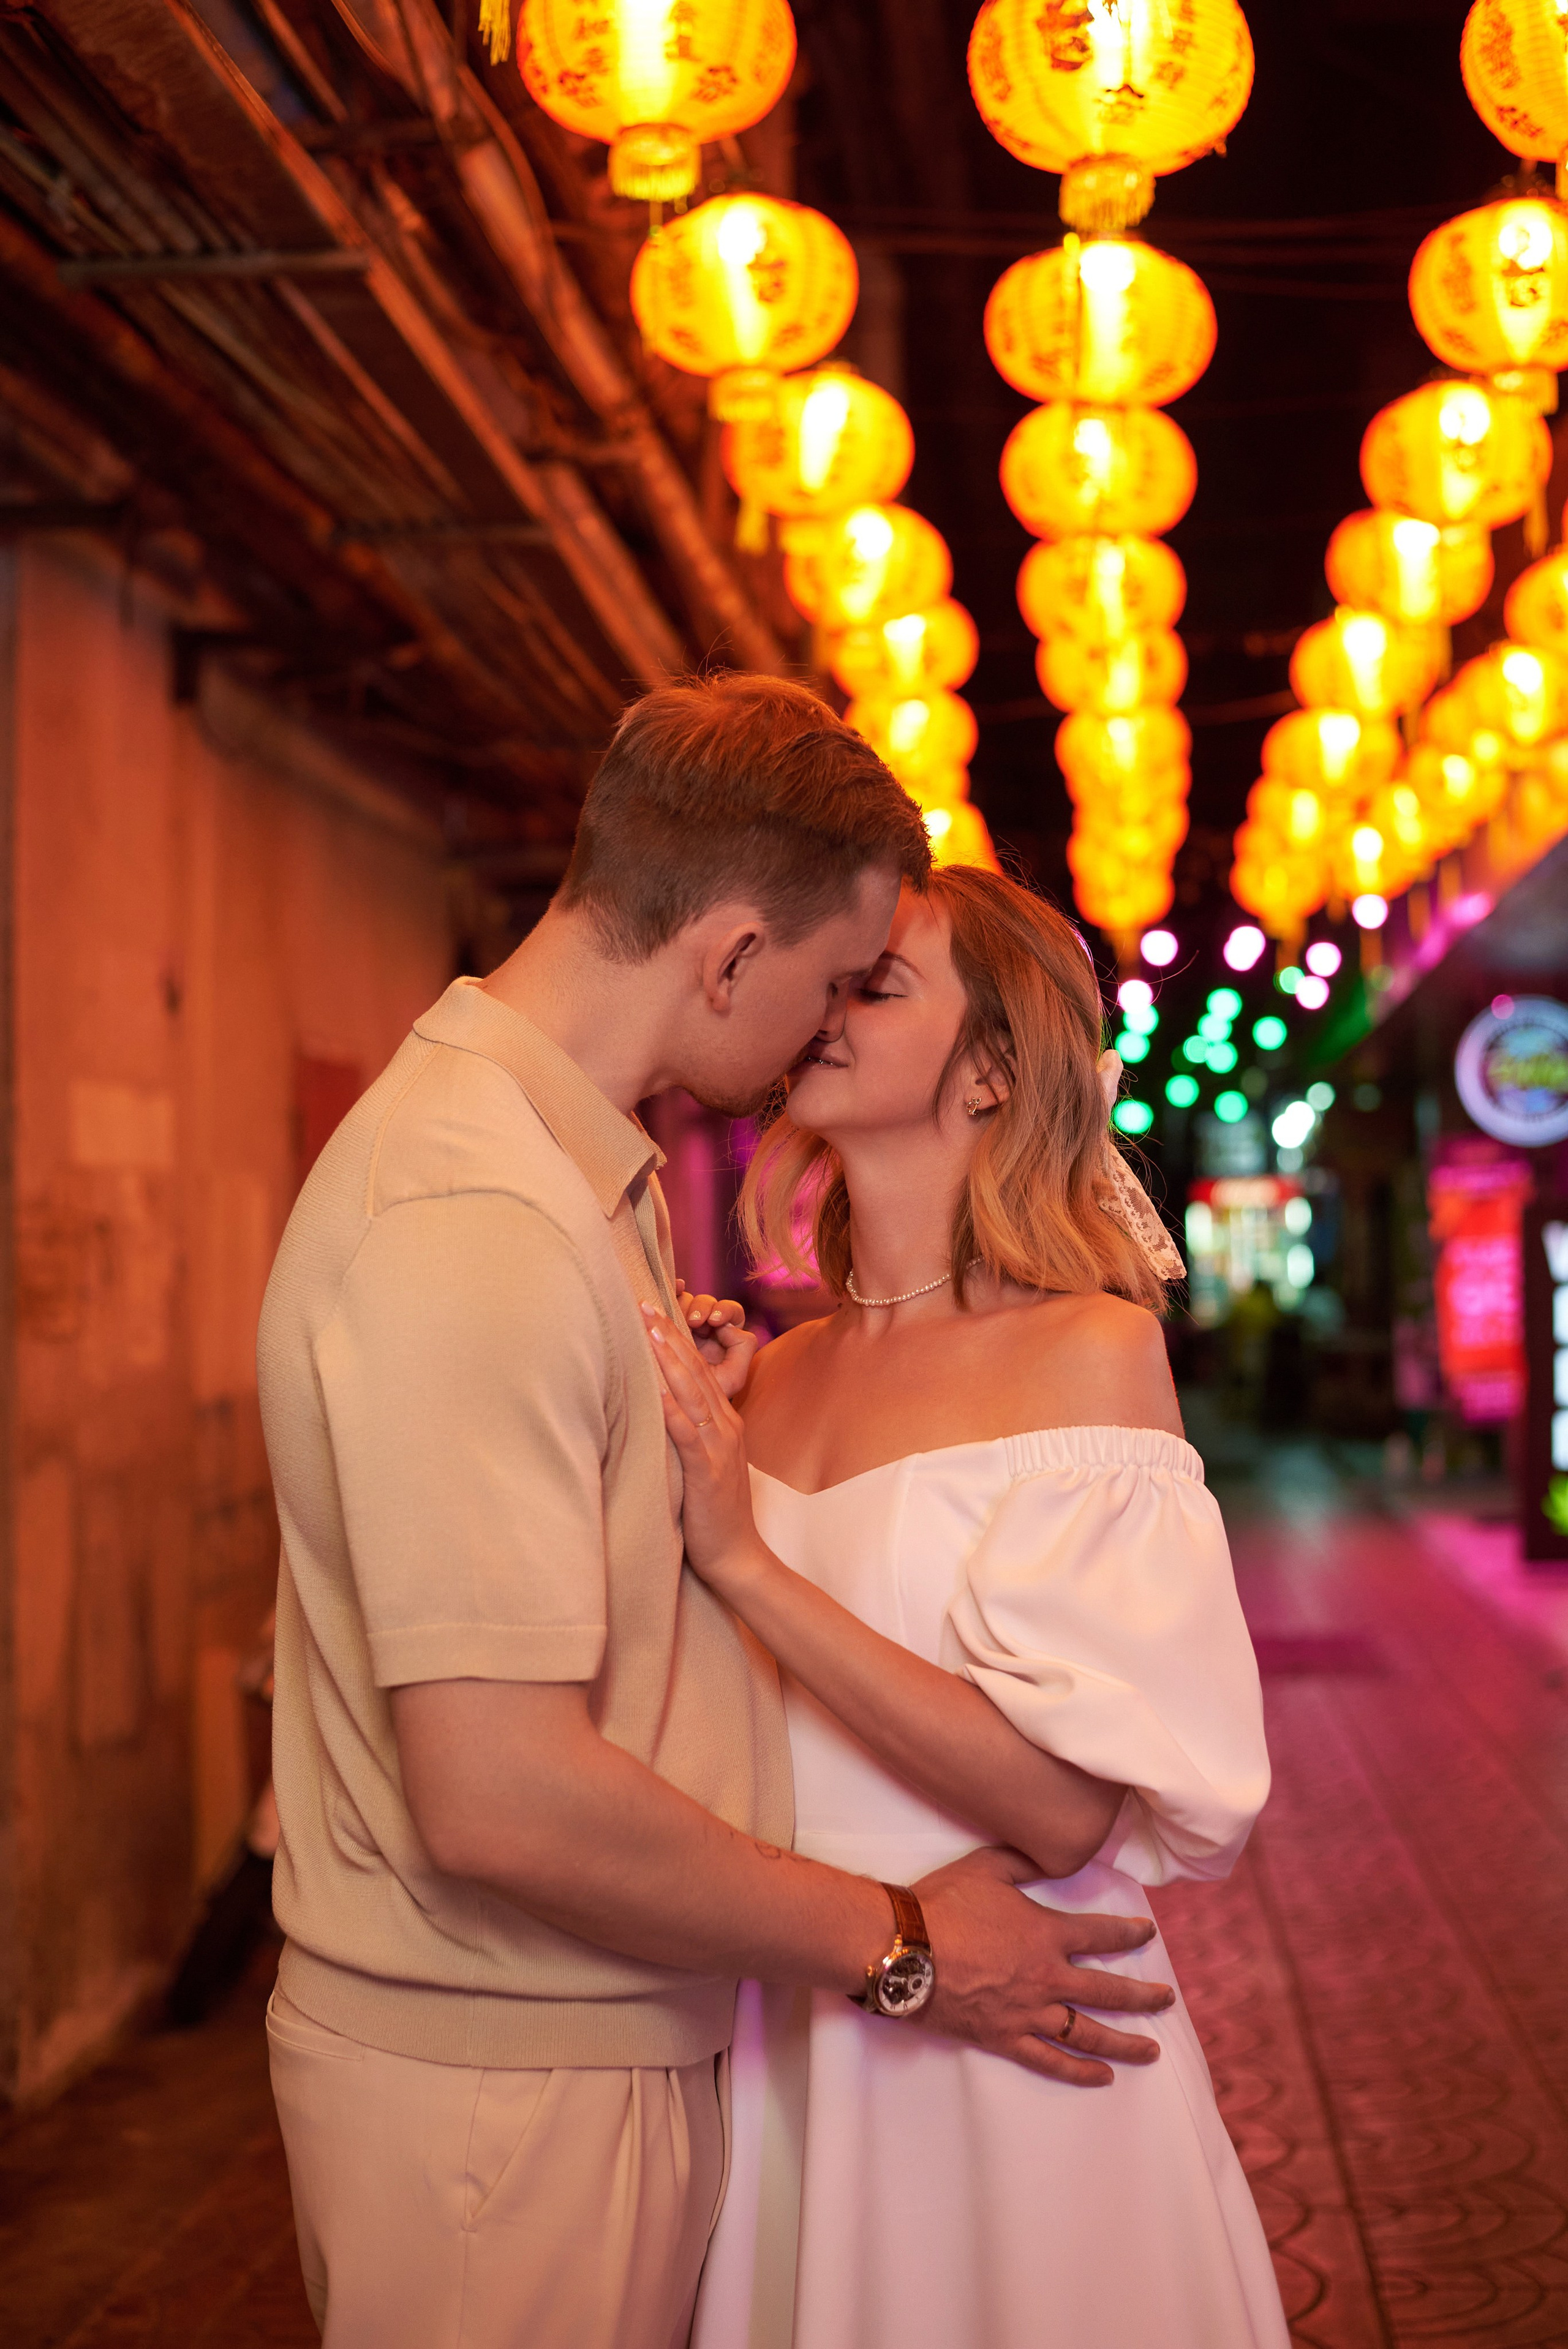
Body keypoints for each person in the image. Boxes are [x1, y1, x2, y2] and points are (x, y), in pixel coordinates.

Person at [256, 678, 1177, 2349]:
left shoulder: (564, 1184)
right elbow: (501, 1796)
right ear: (731, 955)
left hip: (654, 2024)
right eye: (833, 979)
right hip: (519, 2063)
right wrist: (899, 1945)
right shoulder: (481, 1214)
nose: (819, 1028)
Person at [645, 865, 1289, 2349]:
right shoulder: (773, 1368)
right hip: (802, 2001)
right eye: (833, 974)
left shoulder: (1085, 1352)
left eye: (882, 984)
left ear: (992, 1065)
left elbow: (1066, 1815)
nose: (831, 1001)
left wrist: (742, 1556)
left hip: (1017, 2035)